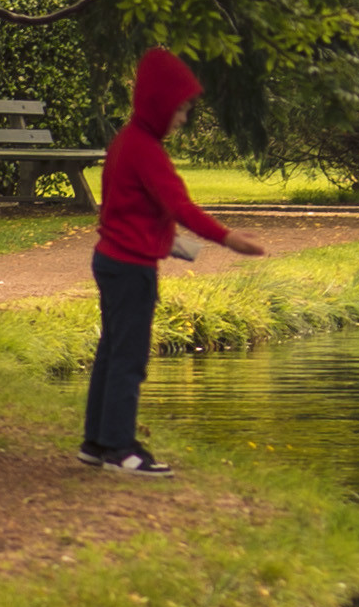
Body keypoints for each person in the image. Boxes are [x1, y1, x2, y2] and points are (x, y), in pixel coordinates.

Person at [85, 47, 262, 474]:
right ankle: (119, 448)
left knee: (111, 353)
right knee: (129, 358)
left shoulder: (125, 142)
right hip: (130, 268)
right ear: (159, 104)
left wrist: (169, 242)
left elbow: (132, 210)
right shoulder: (145, 149)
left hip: (111, 260)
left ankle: (96, 441)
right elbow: (180, 205)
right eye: (180, 109)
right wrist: (227, 238)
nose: (183, 119)